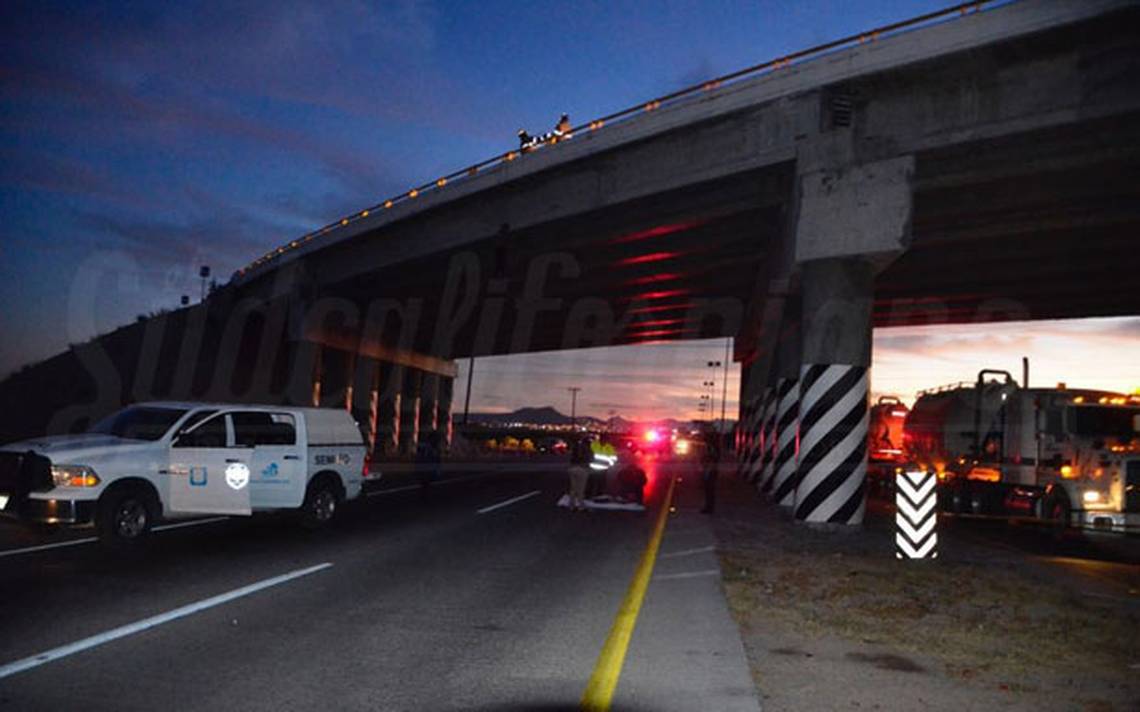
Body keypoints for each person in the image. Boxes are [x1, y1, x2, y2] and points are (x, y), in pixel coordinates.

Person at [567, 435, 592, 511]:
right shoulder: (587, 449)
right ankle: (581, 506)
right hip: (582, 469)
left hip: (572, 468)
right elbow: (590, 459)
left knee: (573, 488)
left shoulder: (576, 447)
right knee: (581, 489)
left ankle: (571, 505)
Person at [415, 430, 442, 500]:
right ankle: (425, 497)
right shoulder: (427, 447)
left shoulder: (433, 448)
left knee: (426, 484)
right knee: (425, 484)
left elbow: (437, 459)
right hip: (426, 468)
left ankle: (425, 497)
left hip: (427, 468)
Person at [700, 428, 721, 514]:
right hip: (711, 470)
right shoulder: (714, 446)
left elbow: (710, 459)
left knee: (709, 490)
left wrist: (706, 470)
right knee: (709, 490)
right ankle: (709, 507)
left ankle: (709, 508)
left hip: (710, 470)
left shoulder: (711, 447)